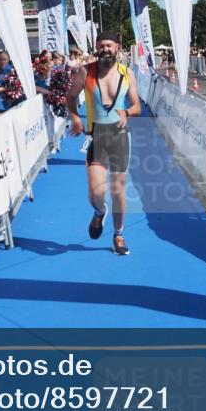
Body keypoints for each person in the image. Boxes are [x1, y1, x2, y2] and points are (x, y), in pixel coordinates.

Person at [66, 31, 141, 256]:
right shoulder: (86, 72)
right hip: (97, 137)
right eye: (101, 46)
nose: (104, 49)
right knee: (96, 193)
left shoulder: (127, 73)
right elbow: (70, 97)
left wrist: (127, 111)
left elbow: (137, 106)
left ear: (117, 47)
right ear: (96, 48)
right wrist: (75, 117)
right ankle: (99, 212)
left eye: (108, 45)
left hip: (119, 137)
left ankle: (118, 234)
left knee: (118, 191)